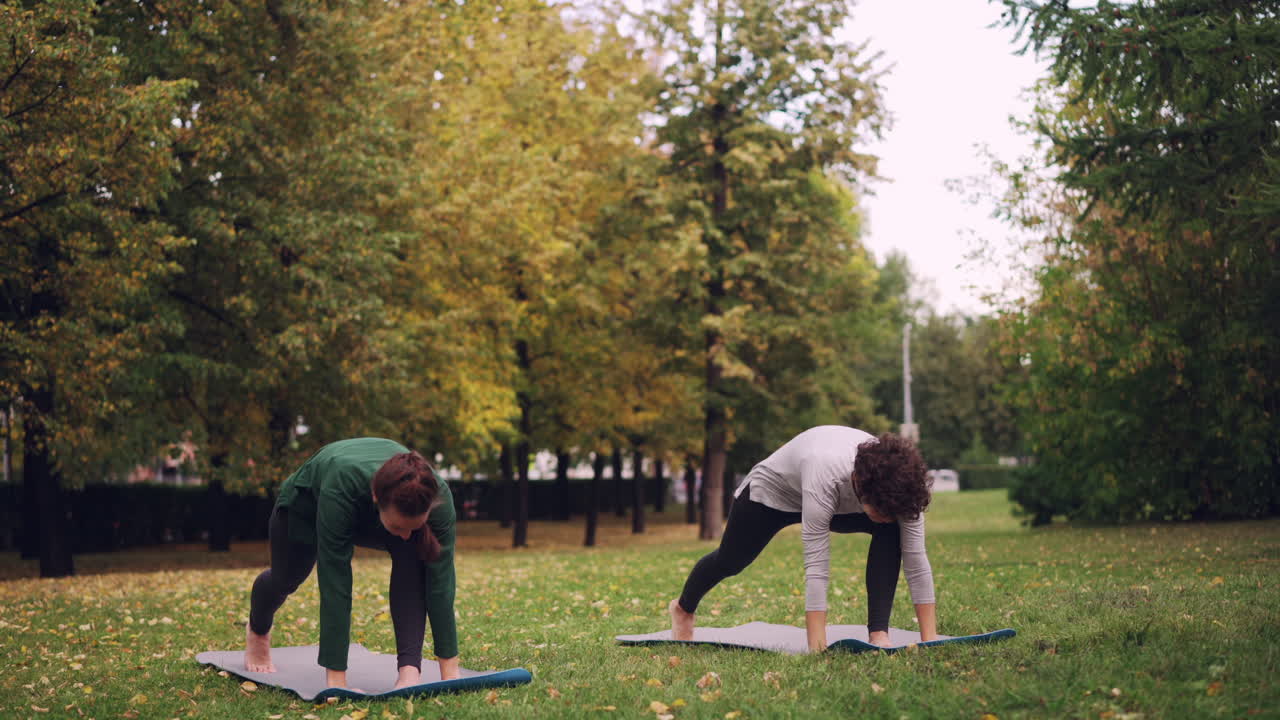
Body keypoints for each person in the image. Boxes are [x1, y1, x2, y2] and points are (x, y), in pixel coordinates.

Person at [669, 426, 936, 651]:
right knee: (730, 560)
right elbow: (817, 567)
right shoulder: (825, 469)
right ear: (862, 488)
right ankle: (683, 608)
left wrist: (930, 641)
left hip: (840, 497)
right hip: (773, 494)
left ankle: (879, 634)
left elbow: (916, 560)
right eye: (882, 511)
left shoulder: (902, 485)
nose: (888, 515)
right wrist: (818, 648)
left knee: (890, 530)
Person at [244, 438, 459, 690]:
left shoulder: (436, 497)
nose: (405, 535)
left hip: (372, 507)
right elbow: (336, 583)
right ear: (376, 498)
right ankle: (258, 629)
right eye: (398, 527)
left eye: (415, 526)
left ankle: (409, 674)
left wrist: (451, 676)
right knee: (286, 578)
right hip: (305, 509)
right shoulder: (341, 486)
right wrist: (337, 683)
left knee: (409, 554)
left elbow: (441, 583)